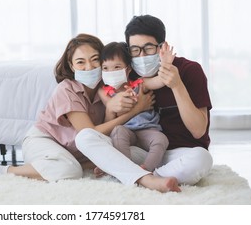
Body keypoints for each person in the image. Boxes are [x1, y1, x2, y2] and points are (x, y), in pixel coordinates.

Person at [0, 33, 181, 193]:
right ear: (72, 65)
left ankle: (90, 164)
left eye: (95, 59)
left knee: (138, 153)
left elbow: (104, 133)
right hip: (46, 141)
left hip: (79, 151)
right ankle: (4, 171)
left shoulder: (107, 89)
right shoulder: (67, 90)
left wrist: (110, 109)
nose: (89, 66)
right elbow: (88, 133)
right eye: (81, 62)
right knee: (69, 172)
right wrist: (137, 110)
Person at [76, 15, 213, 185]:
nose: (141, 56)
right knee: (85, 136)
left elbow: (198, 130)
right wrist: (111, 108)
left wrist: (177, 86)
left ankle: (135, 176)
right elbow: (113, 124)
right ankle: (147, 179)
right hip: (138, 150)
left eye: (148, 48)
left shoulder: (189, 70)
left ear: (163, 46)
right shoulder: (127, 73)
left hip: (178, 153)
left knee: (202, 159)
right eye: (135, 50)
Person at [99, 41, 175, 171]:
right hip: (125, 131)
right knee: (117, 131)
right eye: (105, 68)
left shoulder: (140, 84)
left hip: (147, 129)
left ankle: (146, 170)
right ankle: (124, 169)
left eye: (116, 67)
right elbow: (112, 113)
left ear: (127, 69)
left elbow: (160, 81)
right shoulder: (104, 92)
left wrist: (166, 65)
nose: (110, 71)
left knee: (161, 139)